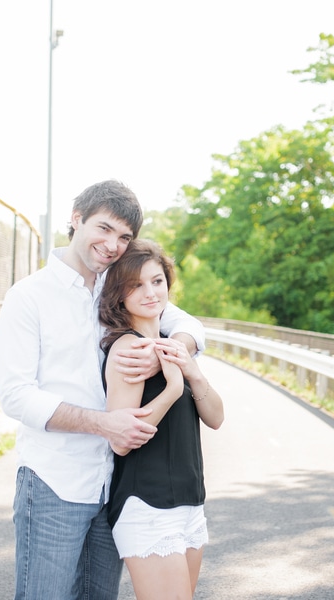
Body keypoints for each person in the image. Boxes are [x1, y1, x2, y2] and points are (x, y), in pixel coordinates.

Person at [0, 180, 206, 600]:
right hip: (55, 480)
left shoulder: (119, 285)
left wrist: (165, 353)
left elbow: (188, 324)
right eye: (104, 228)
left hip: (113, 483)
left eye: (124, 237)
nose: (112, 245)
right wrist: (102, 424)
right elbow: (16, 395)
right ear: (76, 219)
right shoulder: (29, 296)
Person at [99, 239, 224, 600]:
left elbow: (216, 417)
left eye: (157, 281)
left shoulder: (173, 344)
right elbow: (121, 442)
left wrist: (192, 372)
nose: (150, 292)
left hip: (189, 501)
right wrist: (171, 389)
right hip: (148, 504)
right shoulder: (129, 349)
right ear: (119, 295)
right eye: (136, 285)